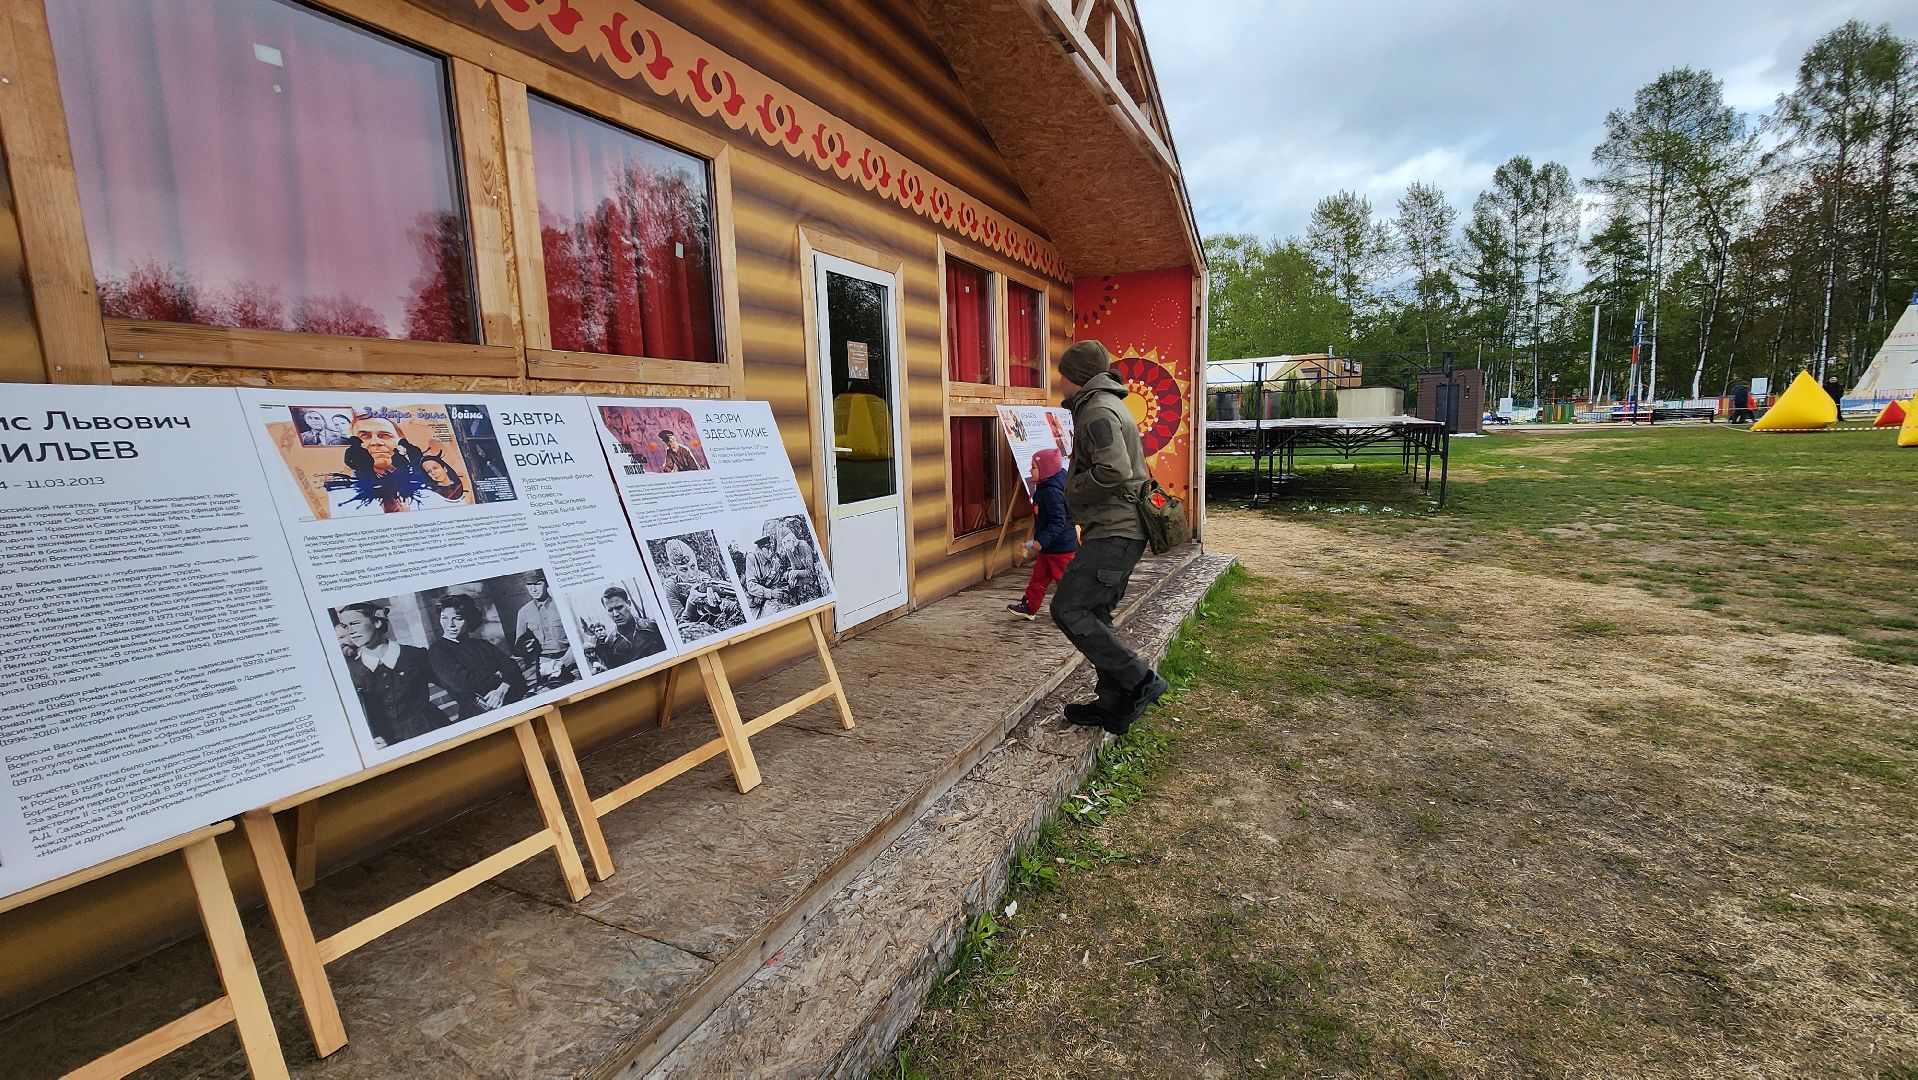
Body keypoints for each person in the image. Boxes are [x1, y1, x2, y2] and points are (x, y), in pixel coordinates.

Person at [1051, 340, 1166, 734]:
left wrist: (1072, 490)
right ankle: (1114, 705)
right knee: (1094, 613)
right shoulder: (1105, 403)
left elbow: (1114, 471)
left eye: (1061, 372)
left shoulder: (1097, 409)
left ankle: (1140, 679)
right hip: (1116, 528)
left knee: (1069, 609)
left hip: (1115, 531)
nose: (1056, 379)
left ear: (1076, 377)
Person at [336, 602, 447, 748]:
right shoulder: (352, 672)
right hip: (389, 743)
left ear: (376, 622)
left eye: (355, 623)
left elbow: (451, 684)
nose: (350, 631)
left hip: (433, 731)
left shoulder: (413, 655)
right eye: (346, 626)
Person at [427, 593, 527, 720]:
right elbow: (462, 683)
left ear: (468, 619)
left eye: (457, 618)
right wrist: (498, 675)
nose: (449, 625)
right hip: (478, 713)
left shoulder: (481, 645)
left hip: (509, 700)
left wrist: (502, 688)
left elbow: (513, 667)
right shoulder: (438, 651)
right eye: (444, 618)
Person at [1008, 447, 1076, 620]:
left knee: (1065, 582)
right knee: (1038, 578)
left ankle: (1075, 611)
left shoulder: (1052, 492)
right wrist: (1040, 542)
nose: (1030, 470)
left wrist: (1041, 541)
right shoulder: (1046, 487)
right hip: (1049, 547)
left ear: (1046, 470)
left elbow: (1058, 521)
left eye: (1034, 467)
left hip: (1060, 549)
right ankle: (1029, 607)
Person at [513, 570, 578, 690]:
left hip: (570, 661)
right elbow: (519, 647)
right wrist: (525, 647)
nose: (533, 589)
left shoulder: (562, 604)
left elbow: (578, 637)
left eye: (538, 584)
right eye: (529, 585)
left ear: (546, 583)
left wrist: (564, 662)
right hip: (544, 665)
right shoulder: (523, 612)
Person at [590, 584, 666, 667]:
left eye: (619, 608)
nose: (615, 614)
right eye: (610, 610)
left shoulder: (652, 627)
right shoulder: (609, 643)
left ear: (628, 604)